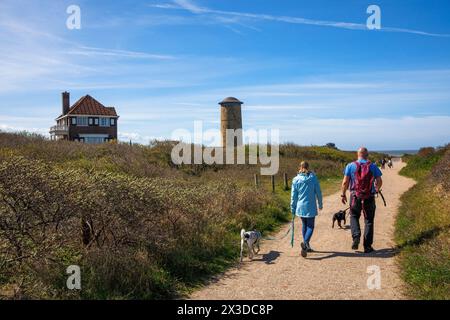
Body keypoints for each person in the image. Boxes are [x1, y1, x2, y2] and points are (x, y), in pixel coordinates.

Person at [341, 147, 383, 253]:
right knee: (369, 220)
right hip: (369, 196)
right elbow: (379, 180)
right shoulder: (372, 166)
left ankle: (356, 236)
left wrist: (343, 194)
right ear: (367, 155)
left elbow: (345, 182)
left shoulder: (350, 166)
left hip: (355, 196)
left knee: (354, 216)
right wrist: (377, 189)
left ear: (357, 154)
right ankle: (367, 246)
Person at [290, 161, 323, 258]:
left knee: (305, 225)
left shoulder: (295, 179)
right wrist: (320, 204)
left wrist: (292, 207)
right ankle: (305, 244)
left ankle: (306, 246)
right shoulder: (313, 178)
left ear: (300, 167)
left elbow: (293, 196)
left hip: (300, 207)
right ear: (308, 167)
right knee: (311, 226)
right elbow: (318, 192)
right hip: (311, 206)